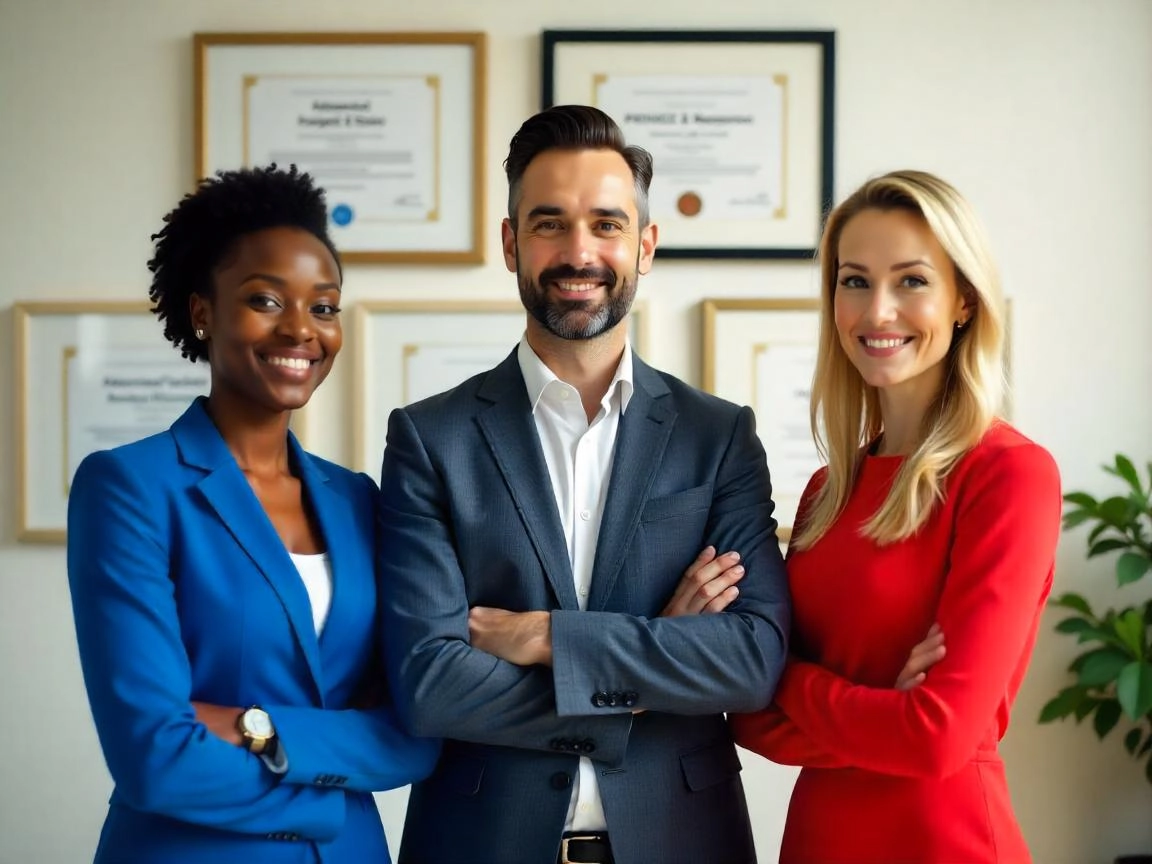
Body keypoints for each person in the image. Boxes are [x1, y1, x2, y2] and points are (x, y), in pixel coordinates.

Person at [377, 105, 791, 864]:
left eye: (606, 224)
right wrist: (660, 656)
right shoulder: (429, 438)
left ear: (645, 245)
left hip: (682, 843)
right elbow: (429, 682)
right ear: (510, 244)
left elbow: (752, 659)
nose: (579, 251)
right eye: (549, 224)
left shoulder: (718, 434)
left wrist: (545, 639)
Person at [66, 164, 439, 863]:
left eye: (323, 307)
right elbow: (154, 754)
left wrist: (256, 727)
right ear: (202, 309)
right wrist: (333, 790)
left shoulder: (361, 500)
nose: (301, 329)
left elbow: (413, 735)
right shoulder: (129, 488)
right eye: (266, 300)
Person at [729, 170, 1062, 863]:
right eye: (854, 281)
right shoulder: (827, 489)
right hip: (818, 839)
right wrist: (883, 710)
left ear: (964, 300)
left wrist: (786, 679)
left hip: (945, 840)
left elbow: (936, 739)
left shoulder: (1009, 475)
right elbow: (750, 721)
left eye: (911, 281)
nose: (877, 311)